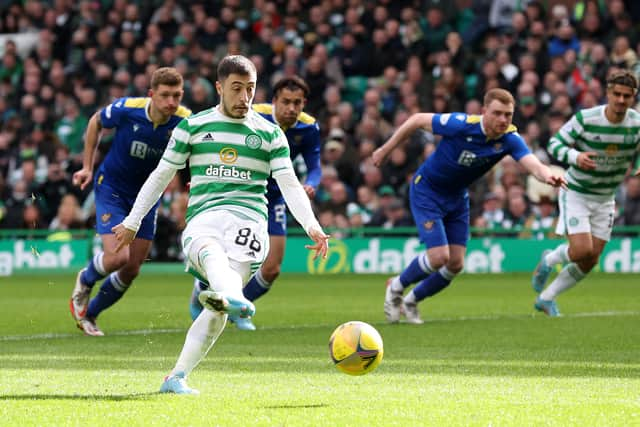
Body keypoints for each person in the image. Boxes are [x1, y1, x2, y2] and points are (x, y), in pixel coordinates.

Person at [112, 55, 329, 394]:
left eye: (251, 90)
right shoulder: (193, 127)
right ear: (219, 88)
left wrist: (314, 227)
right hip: (205, 218)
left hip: (250, 225)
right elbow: (160, 176)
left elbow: (290, 184)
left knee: (218, 313)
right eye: (236, 89)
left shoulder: (270, 134)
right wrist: (132, 220)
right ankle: (228, 294)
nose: (244, 98)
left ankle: (176, 377)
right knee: (214, 257)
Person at [373, 88, 566, 324]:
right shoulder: (460, 124)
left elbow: (533, 165)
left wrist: (547, 176)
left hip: (457, 197)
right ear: (484, 112)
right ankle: (395, 287)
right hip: (428, 191)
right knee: (439, 256)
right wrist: (385, 149)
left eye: (508, 114)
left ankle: (411, 301)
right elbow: (416, 120)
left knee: (455, 264)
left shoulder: (509, 139)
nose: (503, 120)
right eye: (498, 113)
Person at [188, 76, 322, 331]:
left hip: (276, 196)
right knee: (228, 256)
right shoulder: (252, 117)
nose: (291, 109)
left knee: (271, 268)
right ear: (274, 101)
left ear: (304, 103)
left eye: (297, 103)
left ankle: (238, 305)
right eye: (286, 102)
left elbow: (315, 166)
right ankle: (202, 288)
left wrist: (311, 183)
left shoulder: (309, 127)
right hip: (243, 192)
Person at [69, 67, 191, 336]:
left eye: (177, 95)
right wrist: (87, 166)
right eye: (165, 95)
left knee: (132, 268)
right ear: (151, 94)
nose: (171, 102)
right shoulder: (128, 109)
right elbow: (95, 122)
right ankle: (86, 279)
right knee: (117, 257)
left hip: (147, 197)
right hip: (112, 188)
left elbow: (198, 155)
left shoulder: (185, 122)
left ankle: (90, 315)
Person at [531, 70, 640, 316]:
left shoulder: (636, 123)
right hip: (577, 192)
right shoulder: (586, 118)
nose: (621, 100)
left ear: (633, 97)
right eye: (617, 95)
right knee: (581, 251)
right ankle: (549, 260)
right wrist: (575, 156)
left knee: (591, 260)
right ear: (608, 93)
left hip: (605, 198)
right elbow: (554, 144)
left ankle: (546, 298)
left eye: (627, 96)